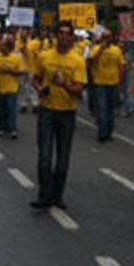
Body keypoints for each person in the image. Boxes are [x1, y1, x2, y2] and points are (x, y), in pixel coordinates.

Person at [31, 21, 86, 209]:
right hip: (46, 111)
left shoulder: (78, 60)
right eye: (60, 33)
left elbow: (79, 90)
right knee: (45, 157)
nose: (63, 37)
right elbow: (35, 78)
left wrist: (64, 84)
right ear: (56, 36)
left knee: (63, 158)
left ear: (71, 37)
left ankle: (57, 195)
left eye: (66, 34)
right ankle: (44, 195)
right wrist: (40, 89)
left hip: (67, 114)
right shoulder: (44, 56)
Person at [88, 29, 127, 142]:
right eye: (104, 37)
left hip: (113, 83)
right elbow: (91, 63)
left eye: (108, 37)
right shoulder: (95, 49)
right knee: (102, 108)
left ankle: (109, 132)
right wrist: (101, 49)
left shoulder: (117, 50)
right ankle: (102, 133)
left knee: (111, 109)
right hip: (100, 83)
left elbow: (122, 66)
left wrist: (121, 82)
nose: (106, 39)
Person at [0, 35, 26, 139]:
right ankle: (1, 128)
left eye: (3, 46)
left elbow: (22, 71)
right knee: (0, 109)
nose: (1, 48)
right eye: (1, 46)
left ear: (9, 47)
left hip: (12, 88)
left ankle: (13, 129)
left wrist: (10, 71)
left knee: (11, 109)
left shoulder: (16, 58)